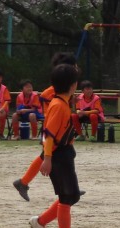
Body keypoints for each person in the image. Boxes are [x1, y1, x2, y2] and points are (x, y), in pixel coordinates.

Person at [28, 62, 87, 228]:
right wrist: (47, 159)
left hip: (64, 153)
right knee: (67, 195)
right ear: (73, 85)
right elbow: (49, 135)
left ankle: (40, 222)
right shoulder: (58, 105)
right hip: (58, 155)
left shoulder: (62, 103)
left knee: (72, 195)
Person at [13, 53, 77, 201]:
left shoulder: (64, 88)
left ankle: (24, 182)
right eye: (74, 66)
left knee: (60, 155)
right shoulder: (53, 91)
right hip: (53, 131)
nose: (76, 68)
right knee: (49, 157)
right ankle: (23, 182)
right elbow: (51, 112)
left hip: (57, 131)